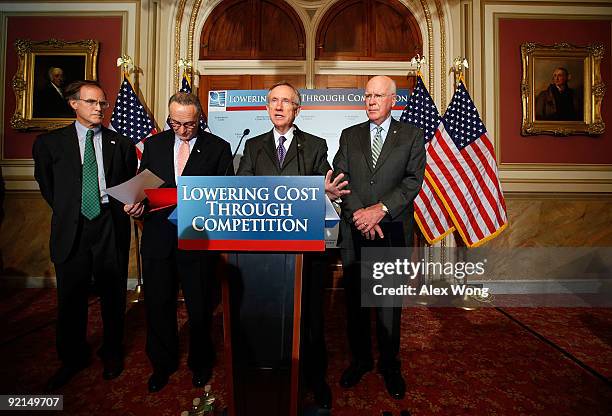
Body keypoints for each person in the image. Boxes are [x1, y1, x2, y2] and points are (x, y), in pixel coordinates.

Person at [237, 81, 349, 410]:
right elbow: (242, 186)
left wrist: (324, 192)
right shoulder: (253, 146)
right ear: (267, 107)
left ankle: (316, 378)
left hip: (305, 249)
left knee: (311, 318)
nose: (279, 106)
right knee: (271, 315)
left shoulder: (313, 145)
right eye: (274, 100)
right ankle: (271, 371)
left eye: (286, 101)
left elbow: (321, 185)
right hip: (264, 251)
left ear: (297, 110)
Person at [33, 80, 138, 391]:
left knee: (113, 294)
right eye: (92, 102)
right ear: (73, 104)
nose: (99, 108)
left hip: (110, 224)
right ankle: (72, 358)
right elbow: (48, 187)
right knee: (71, 298)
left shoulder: (121, 144)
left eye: (103, 103)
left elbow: (129, 183)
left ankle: (112, 352)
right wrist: (73, 209)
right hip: (73, 227)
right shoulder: (50, 144)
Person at [125, 92, 233, 393]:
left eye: (189, 124)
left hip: (199, 238)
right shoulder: (155, 145)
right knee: (158, 304)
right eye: (175, 123)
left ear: (199, 118)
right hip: (159, 239)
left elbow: (226, 195)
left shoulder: (218, 148)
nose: (183, 130)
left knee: (200, 307)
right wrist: (137, 205)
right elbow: (143, 189)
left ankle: (200, 363)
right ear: (168, 118)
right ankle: (162, 363)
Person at [333, 75, 425, 400]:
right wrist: (361, 214)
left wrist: (380, 210)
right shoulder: (349, 135)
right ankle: (360, 361)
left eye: (378, 96)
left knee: (388, 304)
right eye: (367, 95)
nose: (371, 101)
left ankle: (390, 365)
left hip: (392, 228)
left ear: (392, 100)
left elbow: (413, 181)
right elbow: (341, 178)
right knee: (356, 301)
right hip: (355, 229)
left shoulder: (412, 136)